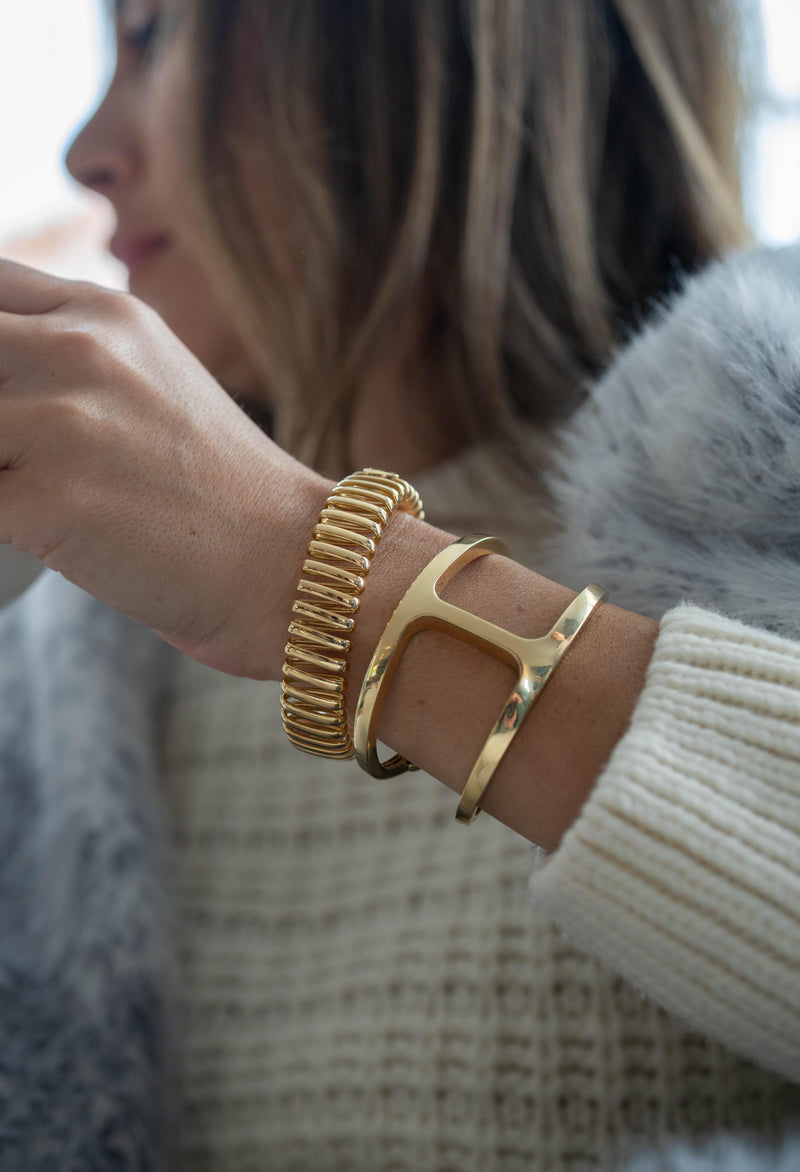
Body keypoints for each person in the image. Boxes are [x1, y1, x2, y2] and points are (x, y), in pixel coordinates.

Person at [0, 0, 797, 1168]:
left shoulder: (769, 502)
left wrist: (306, 567)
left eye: (154, 35)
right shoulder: (65, 671)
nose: (86, 150)